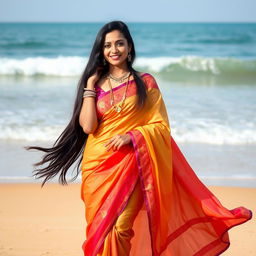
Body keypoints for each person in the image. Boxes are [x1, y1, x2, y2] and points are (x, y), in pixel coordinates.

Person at [27, 21, 252, 256]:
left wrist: (132, 136)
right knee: (102, 229)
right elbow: (88, 126)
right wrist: (91, 85)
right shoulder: (94, 83)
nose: (114, 50)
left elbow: (161, 126)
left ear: (129, 47)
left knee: (121, 226)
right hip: (98, 166)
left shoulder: (145, 82)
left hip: (133, 163)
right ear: (101, 51)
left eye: (119, 43)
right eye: (107, 45)